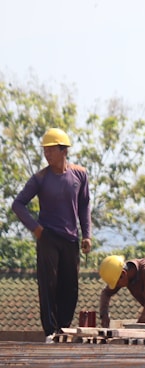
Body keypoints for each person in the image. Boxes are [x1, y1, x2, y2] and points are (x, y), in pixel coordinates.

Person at [12, 128, 92, 336]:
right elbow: (18, 204)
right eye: (45, 151)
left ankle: (63, 328)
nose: (47, 155)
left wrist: (87, 235)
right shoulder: (40, 178)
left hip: (71, 238)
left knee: (70, 286)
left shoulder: (80, 175)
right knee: (49, 285)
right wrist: (36, 228)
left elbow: (84, 205)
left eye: (51, 150)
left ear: (63, 150)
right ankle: (50, 331)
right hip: (47, 237)